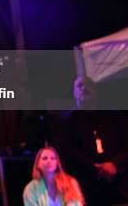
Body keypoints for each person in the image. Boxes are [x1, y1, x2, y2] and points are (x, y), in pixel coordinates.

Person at [54, 76, 128, 205]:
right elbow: (66, 152)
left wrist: (115, 165)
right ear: (74, 92)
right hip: (86, 186)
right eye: (79, 85)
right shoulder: (65, 121)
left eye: (88, 84)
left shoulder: (115, 115)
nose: (84, 88)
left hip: (119, 183)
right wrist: (96, 169)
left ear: (96, 90)